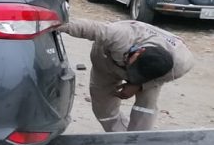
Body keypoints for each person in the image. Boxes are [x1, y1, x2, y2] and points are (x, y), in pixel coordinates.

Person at [61, 19, 194, 132]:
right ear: (138, 52)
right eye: (133, 71)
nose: (131, 76)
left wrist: (139, 85)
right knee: (103, 109)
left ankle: (137, 142)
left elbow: (156, 79)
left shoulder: (181, 63)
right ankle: (119, 137)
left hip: (151, 75)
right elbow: (91, 28)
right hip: (106, 62)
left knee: (146, 105)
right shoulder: (120, 35)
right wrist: (59, 25)